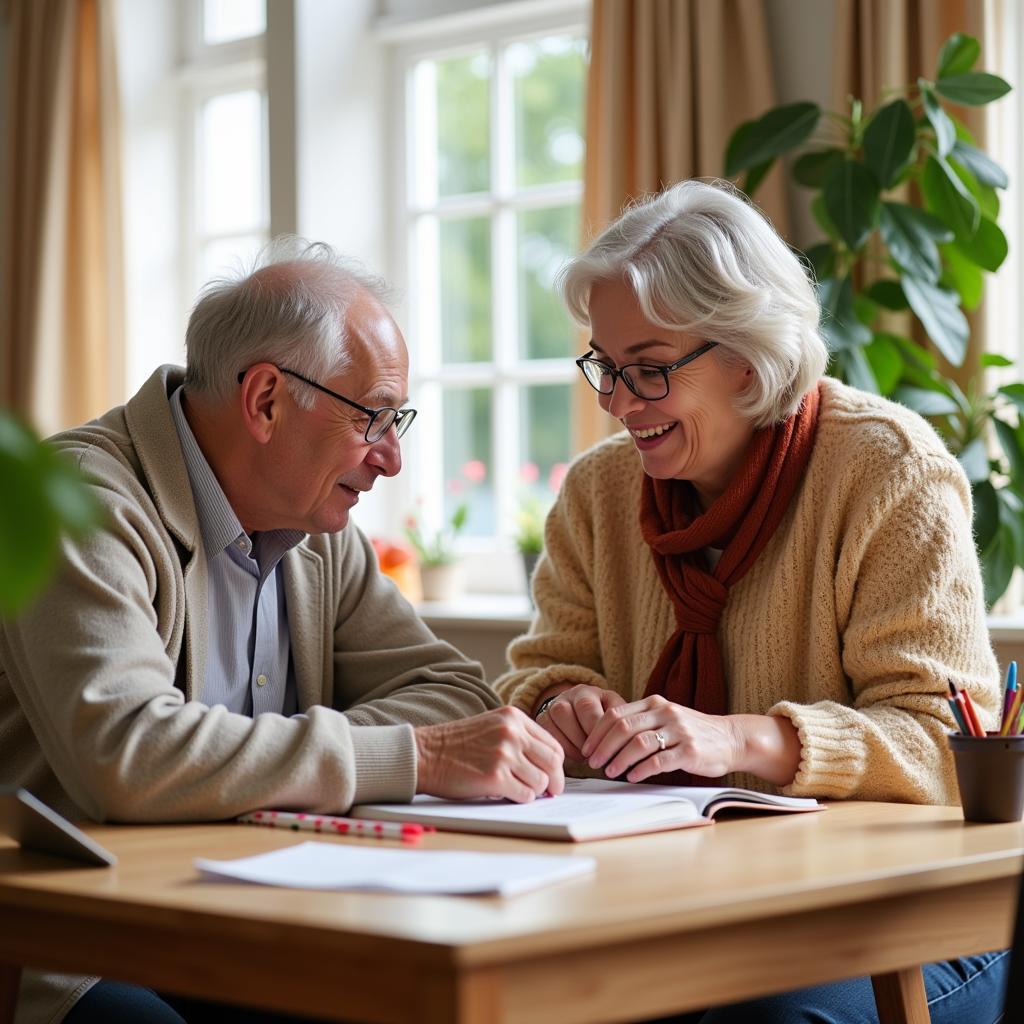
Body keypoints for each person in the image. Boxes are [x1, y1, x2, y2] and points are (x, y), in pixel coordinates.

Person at [0, 239, 564, 1024]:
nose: (393, 459)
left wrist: (237, 759)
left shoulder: (320, 530)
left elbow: (451, 693)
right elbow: (127, 756)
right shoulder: (86, 503)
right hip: (87, 948)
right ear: (265, 400)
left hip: (278, 921)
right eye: (374, 417)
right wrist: (415, 756)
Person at [495, 180, 1008, 1022]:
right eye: (607, 368)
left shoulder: (887, 470)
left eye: (651, 370)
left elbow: (945, 740)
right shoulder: (598, 491)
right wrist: (564, 705)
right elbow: (538, 674)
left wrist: (737, 738)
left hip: (898, 913)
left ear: (748, 354)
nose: (620, 404)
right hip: (687, 895)